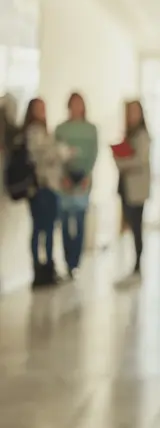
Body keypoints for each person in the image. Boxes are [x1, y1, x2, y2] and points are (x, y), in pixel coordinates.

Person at [23, 98, 74, 288]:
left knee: (50, 229)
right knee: (40, 229)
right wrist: (59, 152)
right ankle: (39, 269)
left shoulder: (46, 132)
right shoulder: (33, 132)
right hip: (41, 187)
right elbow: (40, 156)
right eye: (38, 109)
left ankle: (49, 267)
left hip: (52, 187)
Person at [55, 92, 98, 278]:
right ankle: (67, 260)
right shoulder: (61, 129)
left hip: (83, 179)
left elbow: (93, 153)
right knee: (65, 222)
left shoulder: (91, 129)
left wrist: (87, 175)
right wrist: (63, 175)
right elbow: (56, 153)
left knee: (79, 221)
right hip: (65, 180)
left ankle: (76, 262)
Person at [114, 100, 150, 277]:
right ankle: (132, 263)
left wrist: (122, 161)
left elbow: (140, 160)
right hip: (126, 186)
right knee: (129, 224)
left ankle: (137, 263)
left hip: (137, 189)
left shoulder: (142, 135)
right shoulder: (129, 135)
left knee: (136, 226)